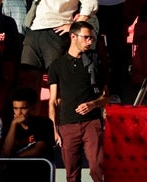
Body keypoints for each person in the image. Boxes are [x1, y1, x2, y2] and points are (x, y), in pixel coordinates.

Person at [47, 21, 107, 182]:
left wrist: (93, 104)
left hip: (91, 122)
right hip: (67, 125)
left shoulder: (95, 62)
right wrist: (54, 129)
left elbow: (107, 96)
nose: (90, 41)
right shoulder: (57, 66)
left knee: (97, 167)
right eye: (86, 37)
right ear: (73, 36)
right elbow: (52, 100)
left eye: (91, 38)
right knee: (71, 173)